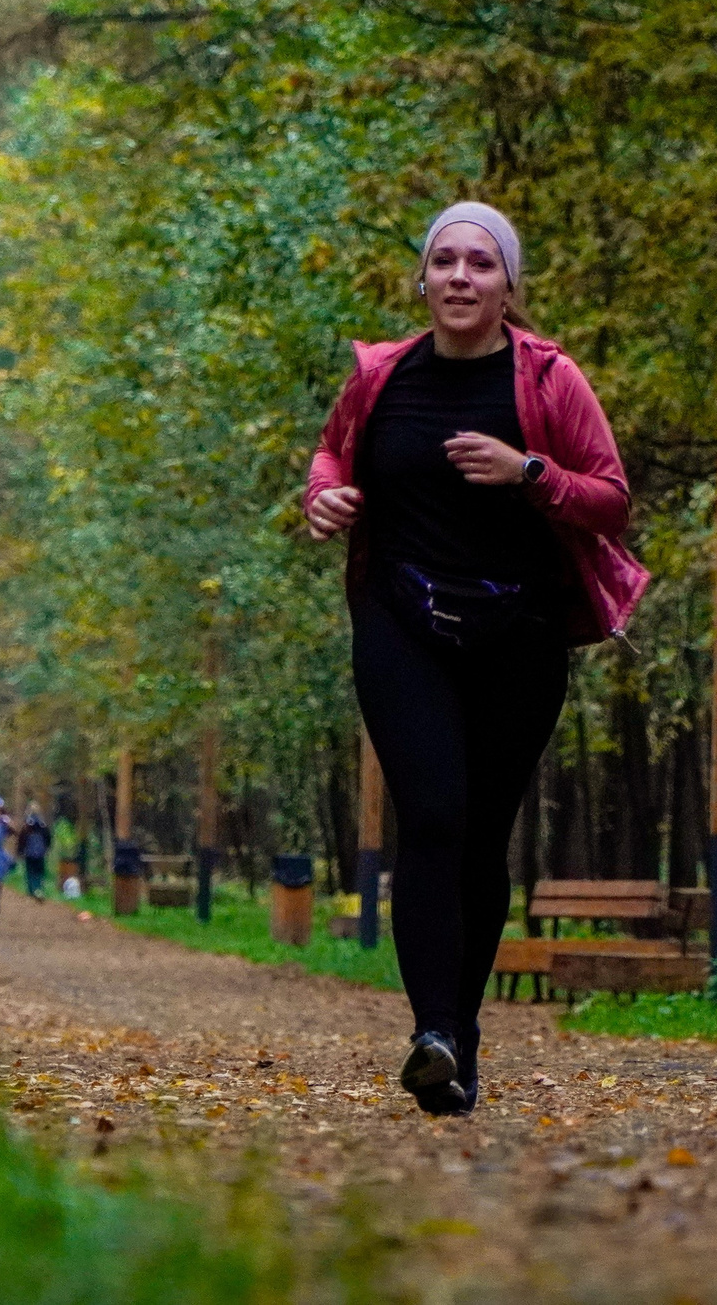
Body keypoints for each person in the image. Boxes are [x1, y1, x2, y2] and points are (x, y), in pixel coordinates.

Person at [304, 201, 646, 1116]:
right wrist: (325, 497)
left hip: (518, 632)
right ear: (422, 279)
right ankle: (432, 1033)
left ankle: (462, 1029)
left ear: (508, 287)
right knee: (437, 815)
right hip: (401, 619)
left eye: (480, 264)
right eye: (444, 261)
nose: (460, 276)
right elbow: (335, 457)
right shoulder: (382, 377)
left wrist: (529, 472)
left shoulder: (550, 379)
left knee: (483, 836)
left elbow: (611, 500)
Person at [18, 808, 52, 899]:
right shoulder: (43, 825)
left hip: (29, 852)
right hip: (40, 852)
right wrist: (47, 848)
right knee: (39, 872)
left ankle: (32, 890)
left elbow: (22, 838)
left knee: (30, 872)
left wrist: (20, 851)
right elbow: (48, 837)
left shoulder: (27, 825)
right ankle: (39, 889)